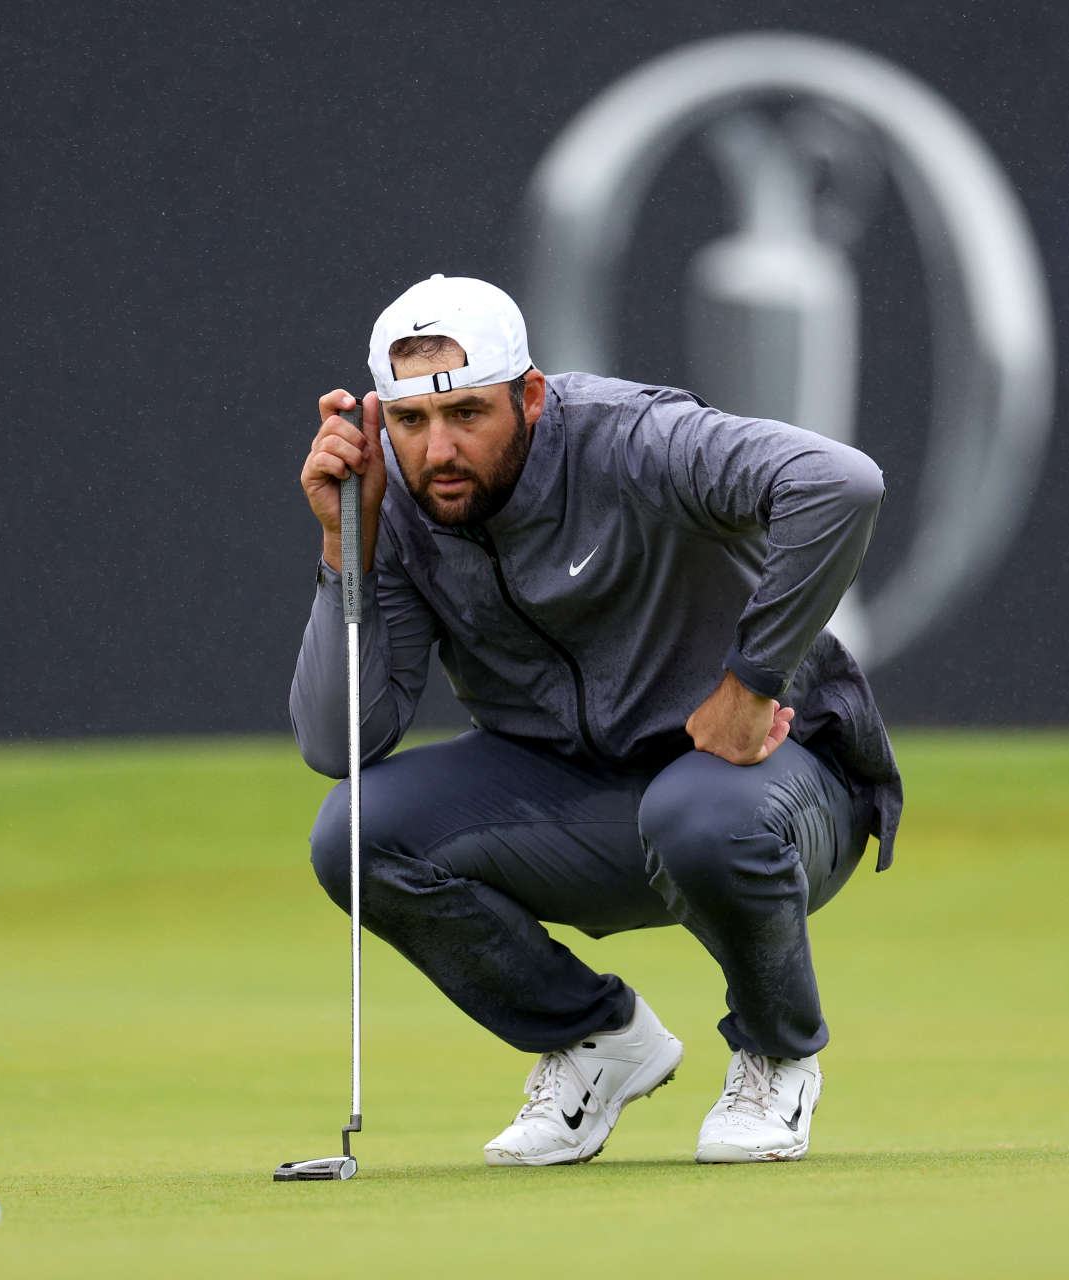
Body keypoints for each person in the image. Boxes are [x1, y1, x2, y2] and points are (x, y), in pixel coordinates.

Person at [292, 273, 902, 1165]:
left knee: (699, 813)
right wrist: (349, 542)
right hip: (584, 802)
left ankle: (777, 1055)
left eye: (468, 414)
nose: (439, 450)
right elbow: (338, 740)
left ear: (530, 396)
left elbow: (840, 483)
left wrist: (751, 682)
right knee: (354, 831)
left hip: (776, 786)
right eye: (412, 422)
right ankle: (596, 1040)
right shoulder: (403, 504)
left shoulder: (634, 438)